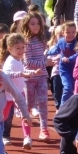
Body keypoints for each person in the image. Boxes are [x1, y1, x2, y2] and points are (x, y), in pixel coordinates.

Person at [20, 12, 50, 141]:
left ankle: (44, 130)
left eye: (38, 23)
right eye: (32, 24)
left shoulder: (42, 40)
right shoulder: (26, 42)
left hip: (42, 76)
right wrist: (45, 63)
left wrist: (50, 57)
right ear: (26, 25)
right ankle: (27, 134)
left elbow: (43, 56)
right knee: (28, 106)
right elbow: (28, 62)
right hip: (29, 78)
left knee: (43, 103)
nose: (36, 26)